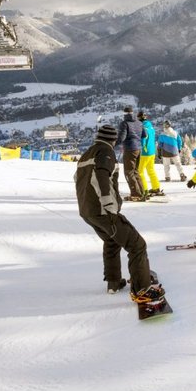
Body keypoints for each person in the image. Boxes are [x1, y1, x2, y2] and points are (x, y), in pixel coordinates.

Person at [75, 125, 164, 303]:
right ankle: (142, 290)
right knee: (137, 245)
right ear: (113, 140)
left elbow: (78, 179)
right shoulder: (105, 152)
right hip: (103, 210)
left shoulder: (88, 153)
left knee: (112, 240)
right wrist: (109, 205)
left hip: (88, 211)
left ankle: (113, 282)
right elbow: (102, 177)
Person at [115, 106, 145, 201]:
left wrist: (112, 144)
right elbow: (144, 135)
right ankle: (141, 191)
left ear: (124, 114)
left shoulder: (124, 123)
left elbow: (121, 138)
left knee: (128, 172)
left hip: (129, 149)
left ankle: (136, 194)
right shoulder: (139, 123)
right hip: (138, 149)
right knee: (135, 171)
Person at [137, 111, 163, 198]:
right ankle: (156, 187)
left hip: (145, 153)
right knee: (151, 170)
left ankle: (144, 190)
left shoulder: (143, 128)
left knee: (140, 172)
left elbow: (143, 139)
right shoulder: (151, 127)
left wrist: (142, 147)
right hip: (152, 152)